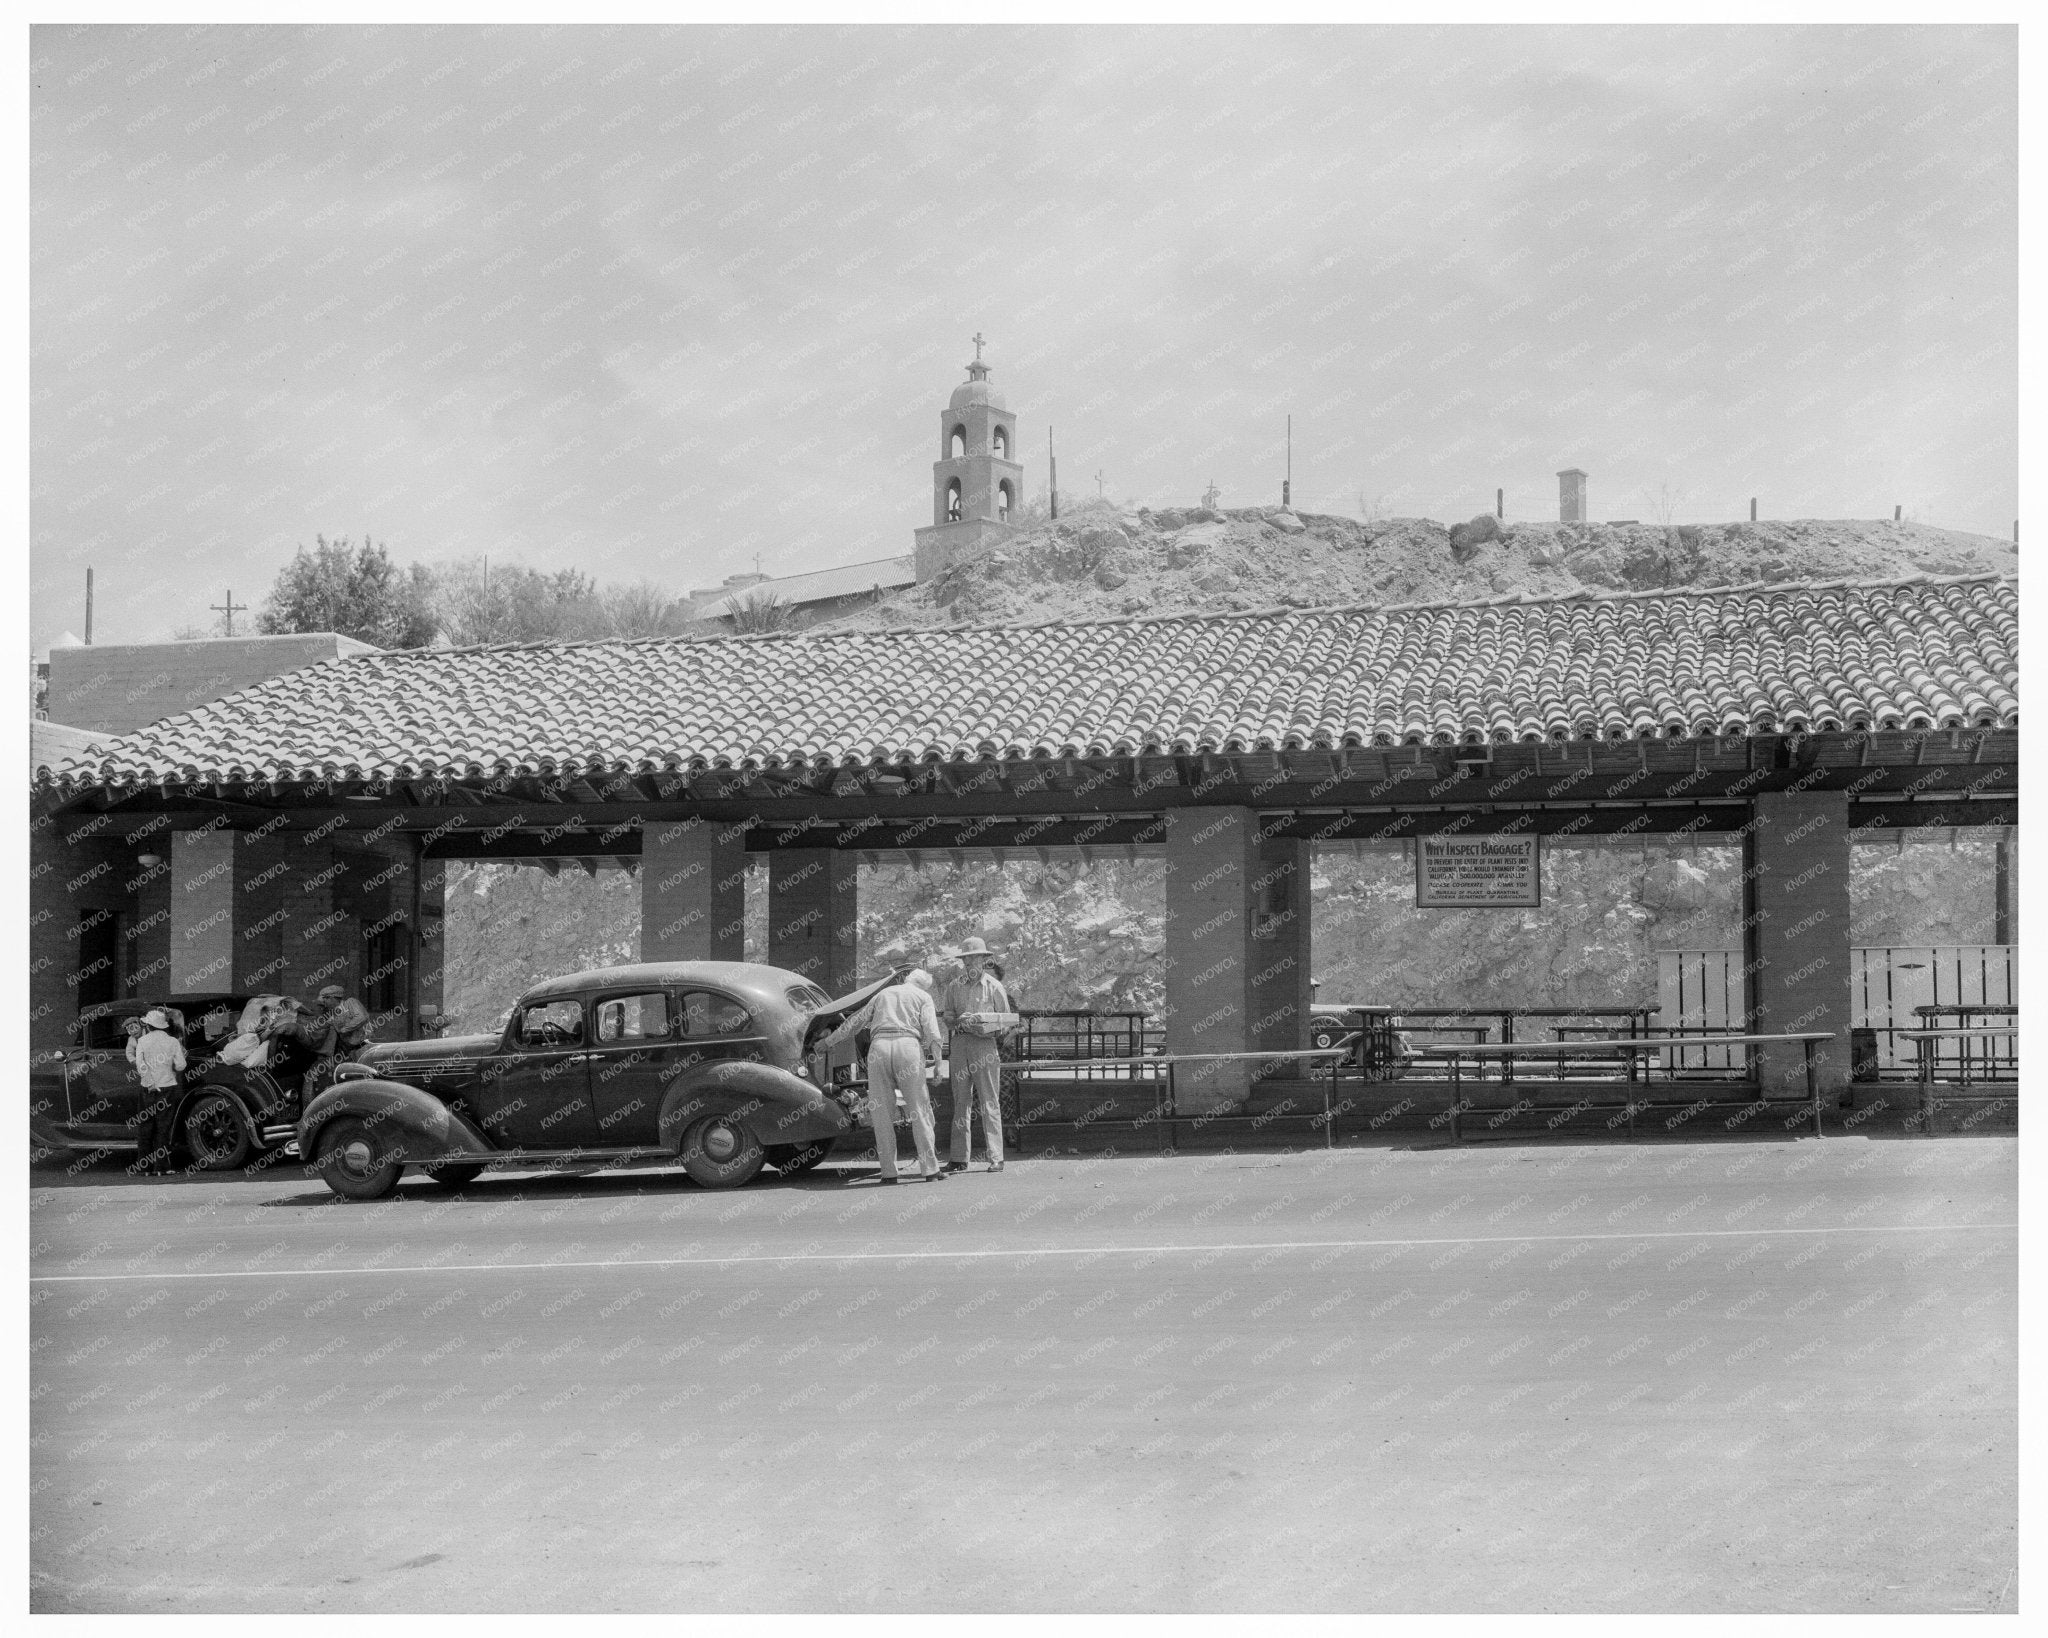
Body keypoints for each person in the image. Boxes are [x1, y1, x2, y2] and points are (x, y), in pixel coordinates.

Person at [826, 969, 946, 1184]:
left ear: (905, 980)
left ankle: (889, 1173)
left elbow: (855, 1022)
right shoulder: (923, 996)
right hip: (908, 1047)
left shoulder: (884, 994)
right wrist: (937, 1064)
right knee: (920, 1110)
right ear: (923, 986)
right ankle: (930, 1170)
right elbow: (933, 1032)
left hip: (879, 1047)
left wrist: (826, 1042)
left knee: (881, 1112)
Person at [939, 937, 1015, 1174]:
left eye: (975, 957)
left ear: (984, 960)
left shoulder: (994, 987)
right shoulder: (954, 986)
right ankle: (960, 1158)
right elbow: (947, 1017)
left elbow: (1007, 1021)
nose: (971, 962)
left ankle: (996, 1157)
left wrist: (986, 1023)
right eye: (967, 958)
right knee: (961, 1102)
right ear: (963, 961)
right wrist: (957, 1021)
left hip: (985, 1045)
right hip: (960, 1044)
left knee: (989, 1100)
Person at [129, 1009, 186, 1175]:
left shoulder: (143, 1041)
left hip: (147, 1088)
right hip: (167, 1087)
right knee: (163, 1127)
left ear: (148, 1025)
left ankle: (144, 1167)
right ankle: (161, 1167)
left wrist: (149, 1082)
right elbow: (181, 1065)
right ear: (163, 1026)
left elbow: (141, 1065)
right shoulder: (173, 1042)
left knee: (145, 1128)